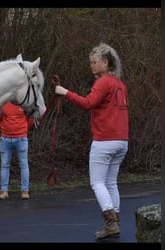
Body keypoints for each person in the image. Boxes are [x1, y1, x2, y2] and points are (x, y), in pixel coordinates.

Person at [55, 42, 129, 240]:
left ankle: (111, 224)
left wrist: (65, 93)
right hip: (122, 140)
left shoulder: (103, 83)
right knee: (111, 182)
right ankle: (116, 221)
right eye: (91, 62)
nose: (92, 65)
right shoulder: (120, 85)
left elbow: (88, 103)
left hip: (105, 140)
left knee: (97, 182)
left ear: (106, 63)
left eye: (95, 62)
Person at [0, 101, 35, 200]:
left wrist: (22, 128)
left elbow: (31, 119)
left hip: (21, 138)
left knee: (24, 164)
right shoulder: (2, 103)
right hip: (5, 138)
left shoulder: (24, 103)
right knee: (4, 165)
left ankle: (25, 191)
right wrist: (6, 128)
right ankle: (4, 192)